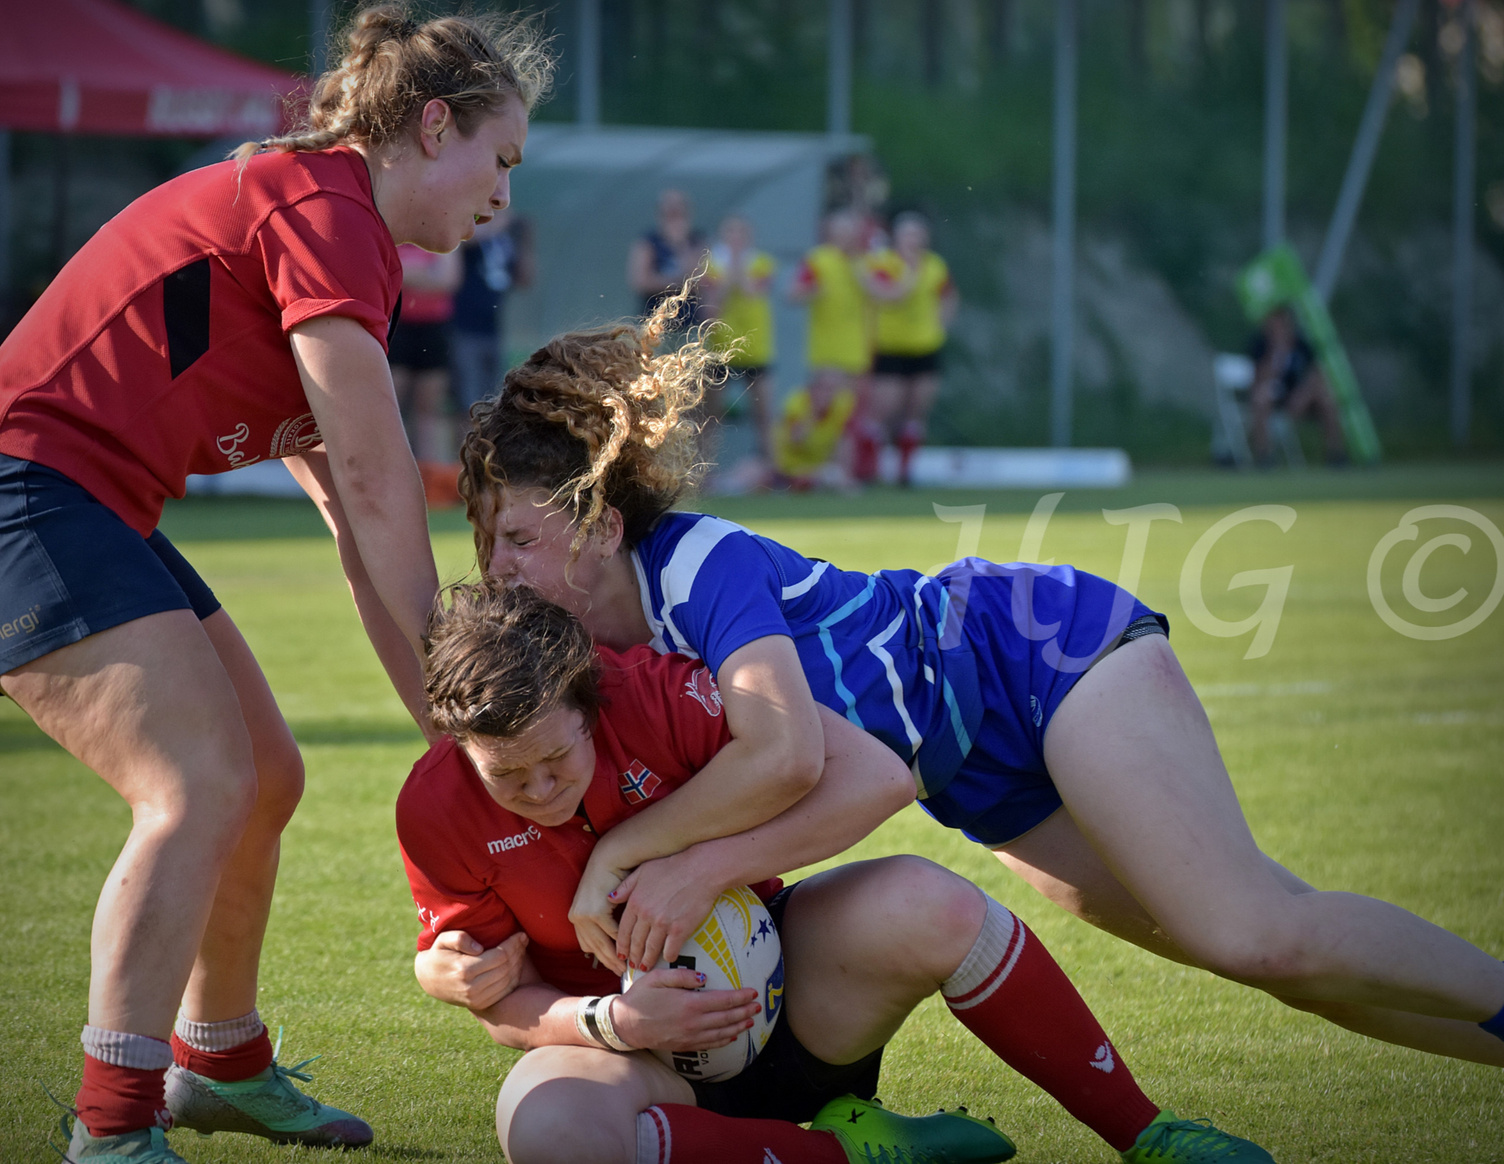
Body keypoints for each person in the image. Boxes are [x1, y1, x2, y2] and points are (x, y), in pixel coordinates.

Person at [455, 291, 1504, 1078]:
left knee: (1252, 928)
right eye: (486, 538)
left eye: (516, 537)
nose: (493, 565)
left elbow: (791, 758)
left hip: (1035, 657)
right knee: (1260, 955)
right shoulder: (586, 656)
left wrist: (658, 861)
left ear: (595, 524)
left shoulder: (692, 566)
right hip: (972, 775)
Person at [0, 8, 551, 1163]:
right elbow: (373, 471)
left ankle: (220, 1063)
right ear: (433, 123)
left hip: (82, 500)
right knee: (197, 784)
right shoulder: (326, 205)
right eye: (499, 160)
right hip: (6, 493)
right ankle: (111, 1128)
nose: (504, 196)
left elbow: (353, 516)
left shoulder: (342, 240)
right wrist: (465, 714)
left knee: (264, 779)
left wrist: (449, 728)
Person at [399, 583, 1272, 1164]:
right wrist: (614, 1019)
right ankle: (853, 1153)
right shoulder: (434, 809)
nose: (540, 791)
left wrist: (700, 867)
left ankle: (1148, 1134)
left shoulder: (659, 694)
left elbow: (876, 775)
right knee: (546, 1130)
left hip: (796, 1007)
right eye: (506, 778)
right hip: (636, 1066)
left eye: (556, 760)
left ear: (593, 704)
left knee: (928, 901)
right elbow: (496, 1000)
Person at [864, 213, 957, 484]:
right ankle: (872, 468)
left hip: (924, 348)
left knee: (916, 409)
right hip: (890, 348)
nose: (913, 241)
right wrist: (909, 271)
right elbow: (891, 295)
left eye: (918, 235)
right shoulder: (884, 263)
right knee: (885, 409)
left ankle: (906, 471)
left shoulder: (935, 266)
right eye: (907, 235)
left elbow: (948, 296)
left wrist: (940, 325)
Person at [787, 211, 874, 480]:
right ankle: (824, 472)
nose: (845, 237)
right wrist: (811, 292)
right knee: (830, 415)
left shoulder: (866, 262)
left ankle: (847, 472)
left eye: (849, 232)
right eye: (840, 232)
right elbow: (793, 293)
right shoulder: (819, 260)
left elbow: (884, 296)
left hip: (857, 351)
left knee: (851, 418)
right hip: (827, 352)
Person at [701, 215, 776, 472]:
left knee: (764, 414)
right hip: (721, 348)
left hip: (756, 348)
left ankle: (771, 470)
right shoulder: (711, 266)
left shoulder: (762, 263)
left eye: (740, 234)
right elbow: (712, 304)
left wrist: (734, 270)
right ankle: (705, 474)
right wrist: (730, 271)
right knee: (712, 415)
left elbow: (752, 291)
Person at [451, 208, 534, 424]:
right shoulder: (471, 227)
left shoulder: (505, 239)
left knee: (492, 397)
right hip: (464, 327)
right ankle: (461, 450)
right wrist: (498, 224)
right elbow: (462, 242)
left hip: (493, 328)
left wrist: (525, 240)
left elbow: (524, 278)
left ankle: (484, 448)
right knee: (467, 398)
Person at [388, 241, 462, 461]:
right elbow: (384, 274)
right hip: (397, 328)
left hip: (433, 329)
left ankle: (428, 476)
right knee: (390, 405)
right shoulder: (394, 235)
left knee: (428, 409)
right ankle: (390, 467)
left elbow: (448, 280)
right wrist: (427, 275)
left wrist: (405, 274)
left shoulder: (441, 239)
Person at [1247, 307, 1347, 466]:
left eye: (1282, 323)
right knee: (1261, 399)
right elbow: (1259, 377)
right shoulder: (1261, 345)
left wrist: (1303, 393)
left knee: (1327, 399)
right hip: (1274, 394)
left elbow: (1317, 372)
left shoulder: (1301, 345)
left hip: (1300, 395)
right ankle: (1264, 456)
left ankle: (1335, 454)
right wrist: (1277, 354)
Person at [629, 188, 707, 327]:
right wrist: (678, 283)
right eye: (670, 207)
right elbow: (641, 281)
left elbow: (701, 278)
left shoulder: (696, 241)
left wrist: (680, 245)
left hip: (690, 320)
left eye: (678, 207)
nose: (674, 211)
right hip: (654, 321)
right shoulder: (649, 242)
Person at [771, 377, 857, 491]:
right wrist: (812, 416)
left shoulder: (841, 406)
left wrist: (846, 474)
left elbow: (845, 442)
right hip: (789, 467)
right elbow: (796, 441)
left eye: (829, 390)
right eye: (821, 389)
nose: (824, 395)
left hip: (819, 468)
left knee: (834, 474)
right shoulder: (797, 403)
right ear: (811, 390)